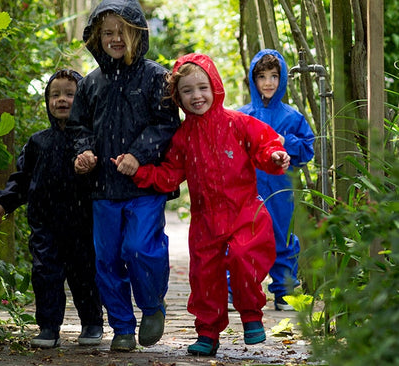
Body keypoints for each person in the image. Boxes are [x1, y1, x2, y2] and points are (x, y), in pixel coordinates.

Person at [115, 53, 290, 356]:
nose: (196, 96)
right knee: (204, 275)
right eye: (187, 91)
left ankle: (250, 315)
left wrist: (275, 156)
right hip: (205, 219)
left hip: (244, 211)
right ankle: (207, 332)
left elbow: (265, 145)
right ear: (178, 97)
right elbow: (170, 175)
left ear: (215, 87)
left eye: (202, 88)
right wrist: (141, 172)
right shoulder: (183, 137)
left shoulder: (238, 123)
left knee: (242, 255)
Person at [69, 0, 180, 352]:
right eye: (107, 33)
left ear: (137, 33)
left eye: (123, 31)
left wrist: (138, 155)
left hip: (144, 184)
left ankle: (151, 306)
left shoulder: (155, 76)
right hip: (103, 187)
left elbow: (166, 124)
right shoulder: (90, 83)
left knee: (139, 248)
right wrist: (83, 152)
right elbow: (78, 127)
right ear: (95, 37)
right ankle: (121, 326)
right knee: (107, 258)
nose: (115, 38)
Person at [0, 69, 104, 349]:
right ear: (47, 100)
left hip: (83, 223)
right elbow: (22, 179)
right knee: (45, 275)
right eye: (55, 95)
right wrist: (4, 202)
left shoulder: (90, 141)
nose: (62, 100)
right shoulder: (38, 142)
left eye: (69, 94)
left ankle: (91, 323)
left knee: (84, 275)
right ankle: (49, 327)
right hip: (45, 225)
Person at [228, 49, 315, 311]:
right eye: (262, 76)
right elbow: (229, 152)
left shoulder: (292, 117)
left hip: (281, 188)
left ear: (283, 79)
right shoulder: (241, 116)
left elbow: (307, 150)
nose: (268, 82)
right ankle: (237, 290)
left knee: (283, 235)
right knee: (243, 237)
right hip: (248, 188)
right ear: (253, 81)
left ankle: (284, 291)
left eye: (274, 76)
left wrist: (284, 141)